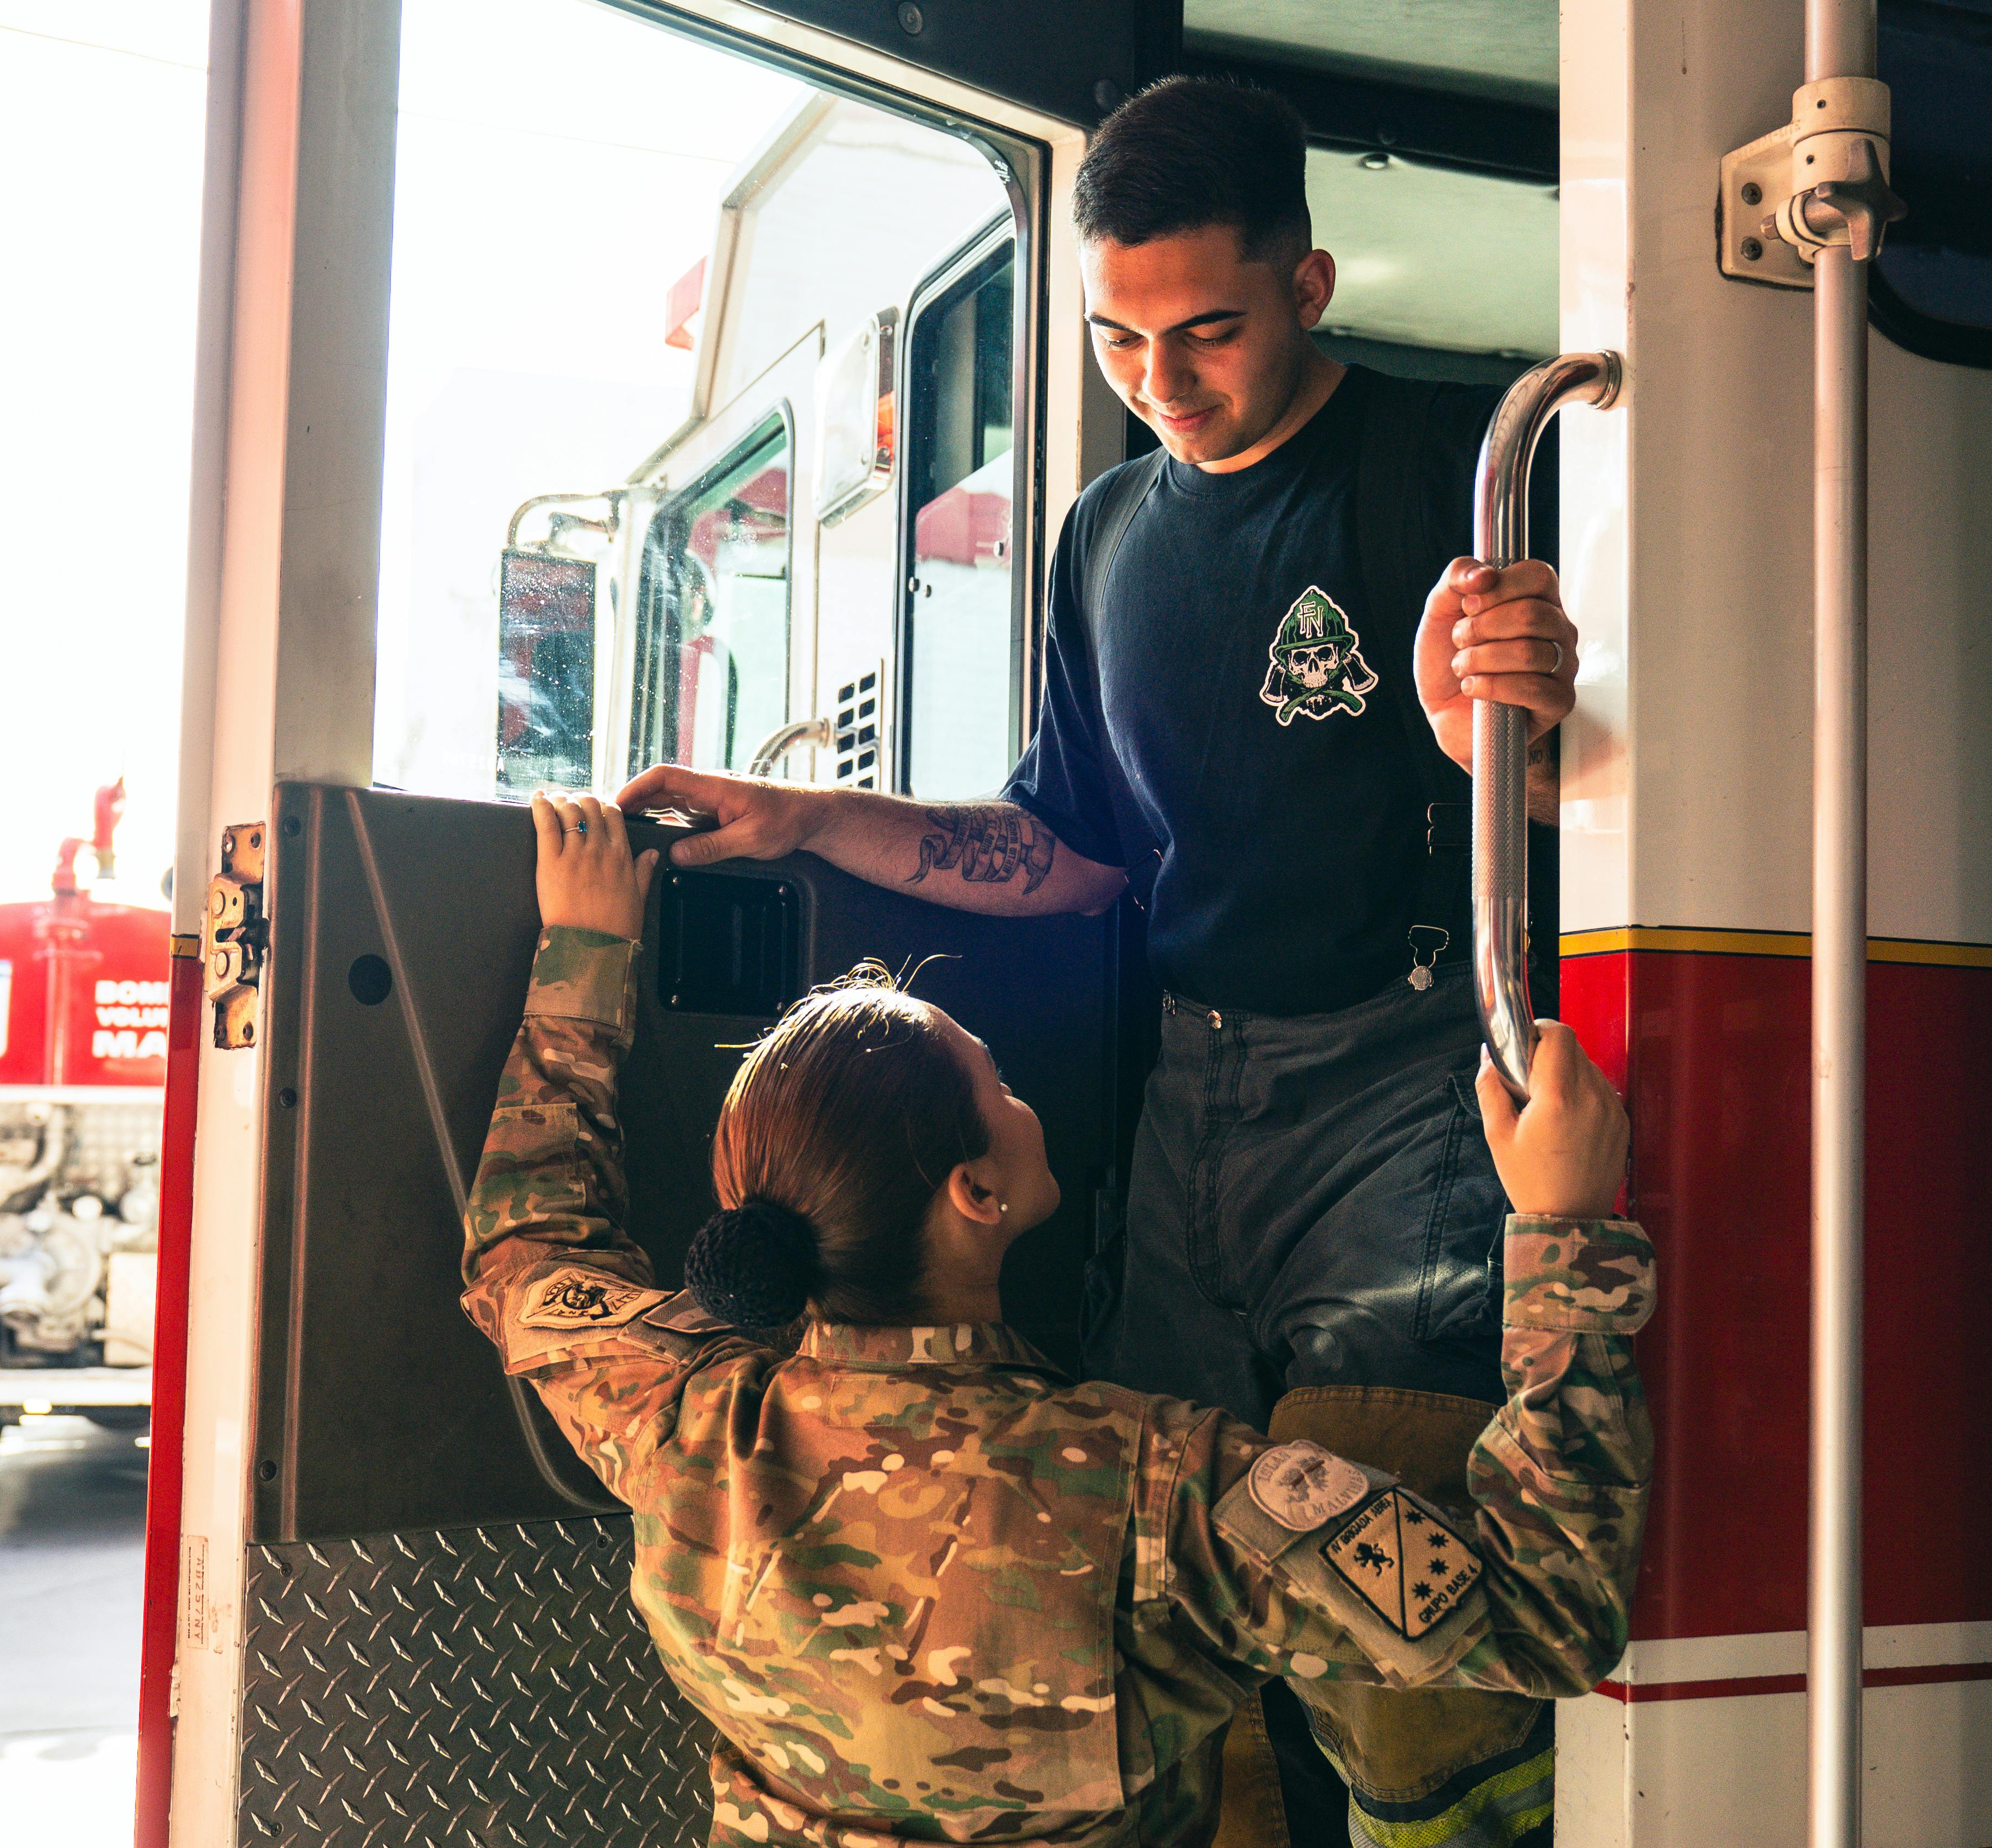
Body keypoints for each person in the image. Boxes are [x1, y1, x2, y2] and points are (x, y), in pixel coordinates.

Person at [611, 78, 1580, 1845]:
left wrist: (1514, 724)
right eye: (1121, 338)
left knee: (1401, 1658)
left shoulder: (1470, 465)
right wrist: (805, 816)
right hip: (1193, 1095)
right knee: (1182, 1626)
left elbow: (1616, 772)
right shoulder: (1109, 537)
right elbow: (1064, 852)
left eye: (1206, 328)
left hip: (1407, 1074)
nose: (1164, 380)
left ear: (1309, 281)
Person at [464, 794, 1650, 1848]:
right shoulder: (1158, 1491)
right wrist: (1565, 1231)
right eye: (1000, 1086)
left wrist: (585, 948)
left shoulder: (679, 1421)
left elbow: (526, 1249)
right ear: (975, 1194)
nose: (1023, 1099)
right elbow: (1547, 1614)